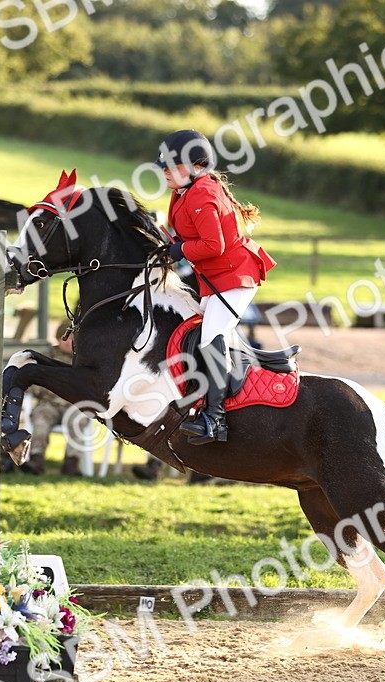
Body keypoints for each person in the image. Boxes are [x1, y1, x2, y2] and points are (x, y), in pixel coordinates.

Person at [153, 129, 277, 445]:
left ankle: (215, 419)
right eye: (164, 166)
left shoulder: (201, 193)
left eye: (172, 166)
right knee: (195, 327)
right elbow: (182, 234)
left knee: (211, 335)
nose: (165, 172)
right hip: (217, 278)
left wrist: (178, 251)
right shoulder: (183, 191)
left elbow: (212, 244)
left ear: (195, 167)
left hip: (236, 276)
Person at [23, 323, 91, 476]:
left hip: (74, 405)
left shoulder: (83, 361)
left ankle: (71, 462)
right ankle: (36, 459)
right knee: (40, 418)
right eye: (64, 339)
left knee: (79, 419)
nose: (67, 343)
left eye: (71, 339)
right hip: (49, 403)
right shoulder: (46, 358)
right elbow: (32, 382)